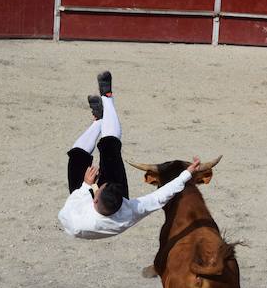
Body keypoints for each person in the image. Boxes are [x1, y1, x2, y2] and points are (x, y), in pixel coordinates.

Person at [58, 71, 199, 239]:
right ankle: (107, 97)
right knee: (110, 148)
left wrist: (86, 186)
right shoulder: (129, 210)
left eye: (101, 185)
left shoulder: (75, 218)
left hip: (81, 208)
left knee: (76, 158)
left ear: (95, 198)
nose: (100, 183)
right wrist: (186, 174)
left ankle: (100, 121)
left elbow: (65, 212)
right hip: (105, 203)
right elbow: (160, 196)